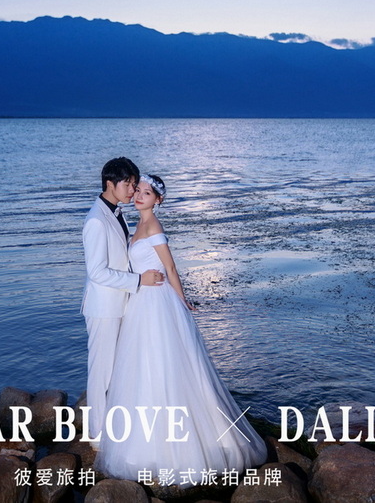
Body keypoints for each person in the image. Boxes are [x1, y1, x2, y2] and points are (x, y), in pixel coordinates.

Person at [95, 174, 267, 481]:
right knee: (141, 366)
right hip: (140, 300)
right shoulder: (138, 224)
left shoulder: (153, 226)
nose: (139, 196)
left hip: (157, 302)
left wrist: (182, 300)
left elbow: (171, 267)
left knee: (164, 365)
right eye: (138, 191)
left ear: (158, 200)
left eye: (147, 193)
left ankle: (181, 447)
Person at [82, 157, 165, 447]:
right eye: (128, 184)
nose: (132, 190)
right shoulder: (96, 220)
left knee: (115, 369)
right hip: (104, 307)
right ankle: (96, 434)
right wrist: (139, 280)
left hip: (120, 303)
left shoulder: (116, 213)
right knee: (101, 372)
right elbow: (96, 272)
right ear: (110, 184)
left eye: (133, 184)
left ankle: (112, 425)